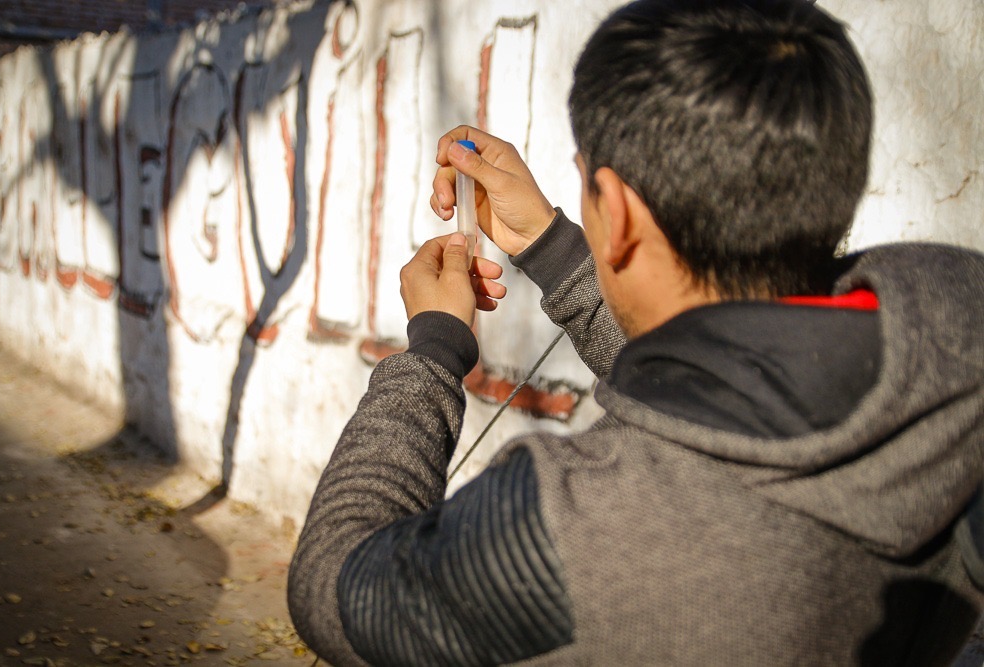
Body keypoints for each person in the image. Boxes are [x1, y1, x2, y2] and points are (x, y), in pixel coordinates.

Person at [288, 0, 984, 664]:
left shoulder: (574, 530)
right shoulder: (955, 328)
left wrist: (435, 348)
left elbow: (333, 586)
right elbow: (734, 394)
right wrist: (550, 246)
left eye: (586, 185)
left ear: (616, 212)